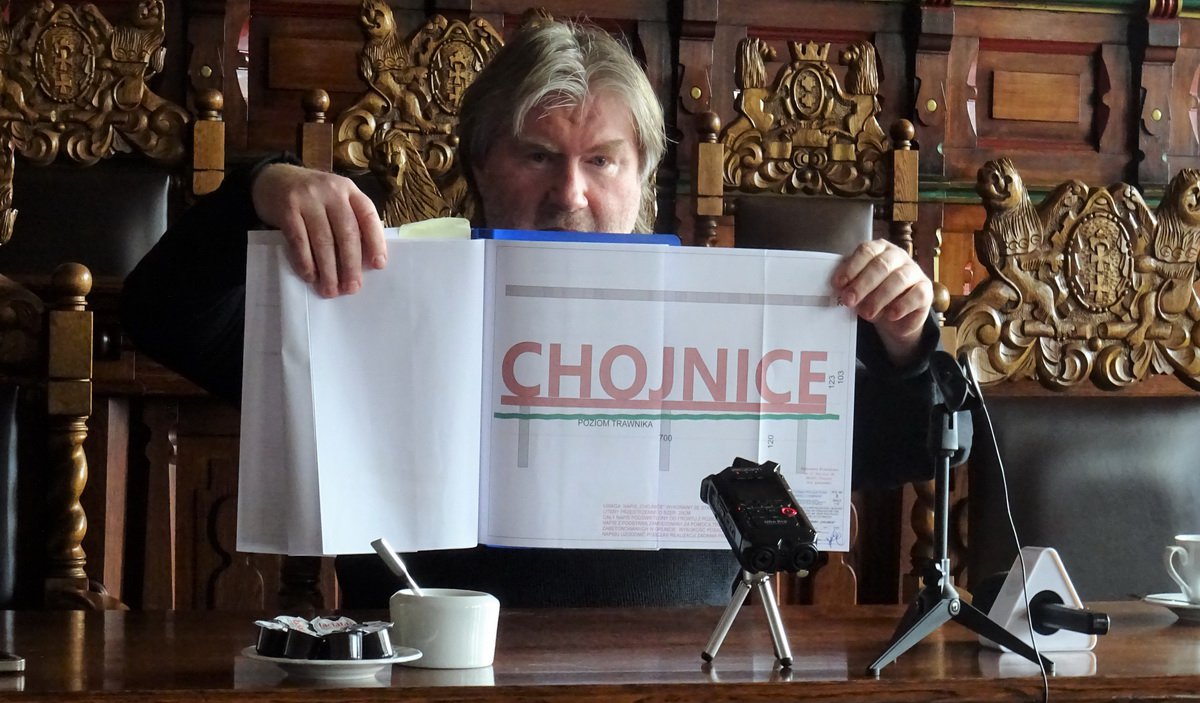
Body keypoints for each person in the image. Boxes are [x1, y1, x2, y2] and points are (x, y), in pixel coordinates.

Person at [121, 20, 965, 608]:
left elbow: (906, 451)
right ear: (480, 165)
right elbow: (160, 315)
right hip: (431, 677)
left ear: (643, 176)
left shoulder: (731, 316)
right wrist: (261, 186)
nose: (571, 193)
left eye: (602, 160)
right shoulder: (371, 300)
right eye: (537, 155)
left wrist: (905, 339)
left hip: (683, 676)